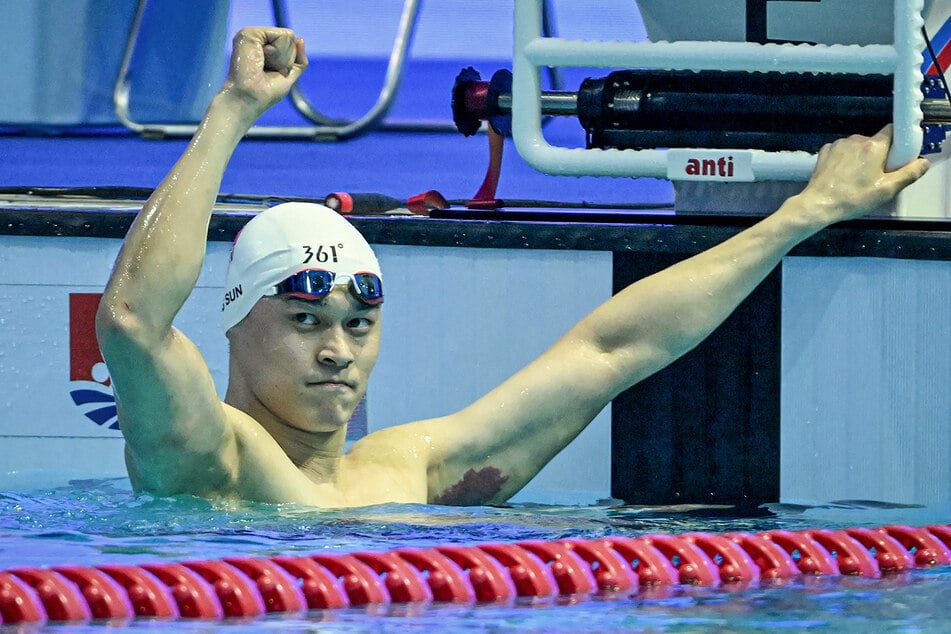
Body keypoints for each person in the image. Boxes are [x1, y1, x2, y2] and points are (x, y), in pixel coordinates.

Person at [97, 27, 930, 507]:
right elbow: (134, 319)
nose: (337, 350)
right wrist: (234, 110)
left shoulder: (409, 473)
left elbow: (608, 352)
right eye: (304, 320)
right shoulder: (212, 461)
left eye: (359, 323)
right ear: (236, 321)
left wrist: (804, 212)